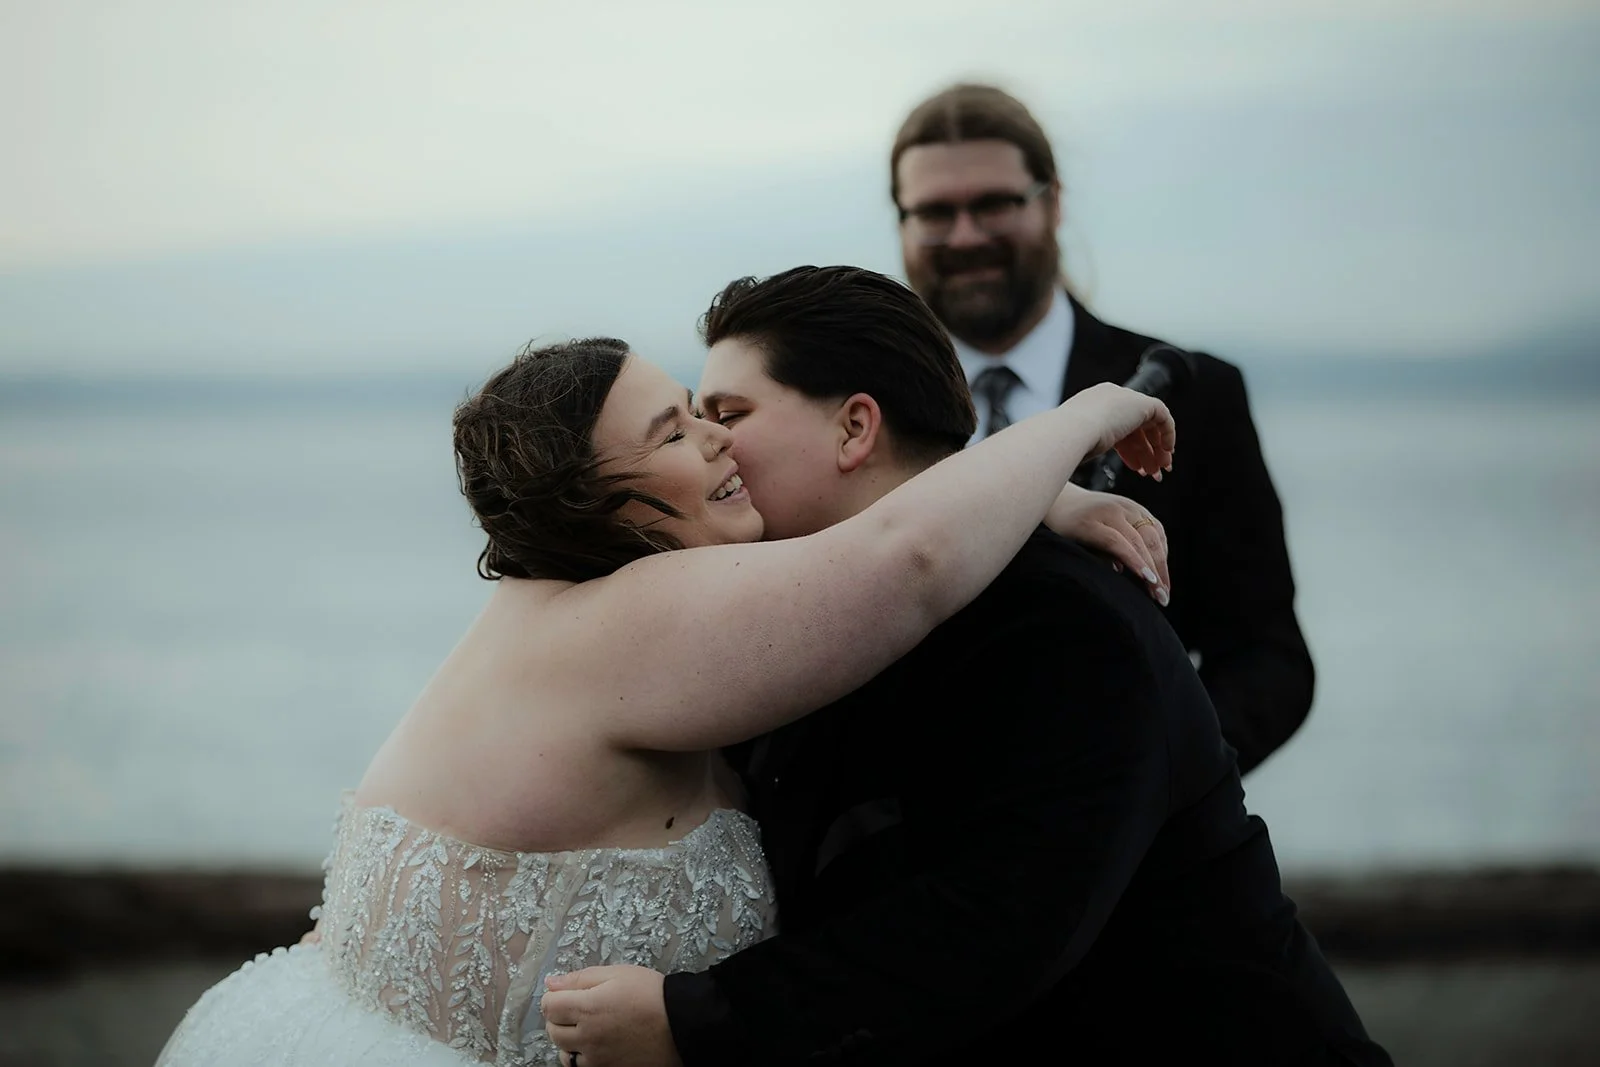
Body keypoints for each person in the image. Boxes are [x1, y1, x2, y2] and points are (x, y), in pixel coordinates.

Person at [152, 317, 1175, 1064]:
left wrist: (1038, 498)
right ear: (593, 501)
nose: (718, 438)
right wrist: (1083, 419)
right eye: (676, 430)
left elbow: (871, 544)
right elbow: (904, 560)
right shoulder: (635, 620)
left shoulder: (538, 611)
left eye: (705, 410)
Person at [541, 266, 1390, 1066]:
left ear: (854, 427)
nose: (711, 448)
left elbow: (993, 926)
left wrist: (693, 1021)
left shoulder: (1066, 624)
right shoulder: (800, 620)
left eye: (729, 413)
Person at [890, 83, 1314, 773]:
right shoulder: (864, 408)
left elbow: (1270, 659)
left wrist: (1163, 782)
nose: (966, 235)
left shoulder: (1194, 393)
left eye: (994, 203)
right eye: (936, 212)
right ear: (901, 221)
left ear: (1052, 202)